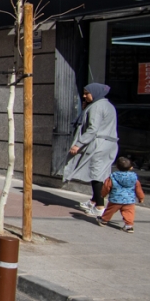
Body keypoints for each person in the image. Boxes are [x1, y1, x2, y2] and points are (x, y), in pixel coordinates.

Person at [63, 83, 118, 217]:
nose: (84, 95)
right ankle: (94, 201)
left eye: (87, 93)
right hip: (109, 144)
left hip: (98, 144)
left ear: (95, 93)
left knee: (96, 174)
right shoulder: (107, 105)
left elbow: (93, 128)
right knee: (101, 173)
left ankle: (99, 206)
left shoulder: (97, 107)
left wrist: (78, 144)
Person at [98, 156, 145, 233]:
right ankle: (129, 226)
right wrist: (141, 197)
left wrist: (103, 194)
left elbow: (106, 186)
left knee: (109, 211)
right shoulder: (134, 178)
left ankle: (104, 220)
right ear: (131, 168)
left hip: (116, 199)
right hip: (129, 200)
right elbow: (138, 188)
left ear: (116, 166)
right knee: (129, 213)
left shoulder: (113, 177)